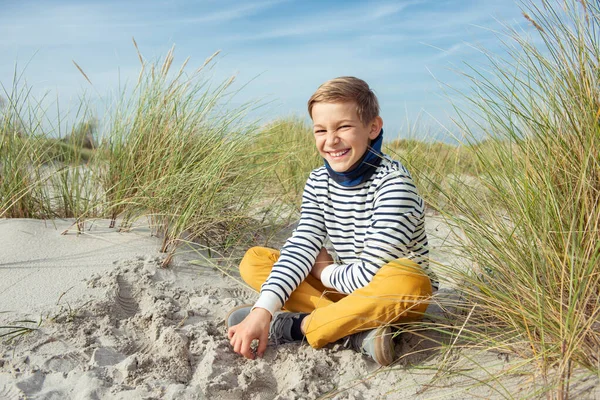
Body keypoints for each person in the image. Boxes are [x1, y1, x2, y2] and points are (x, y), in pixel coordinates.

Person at [226, 76, 437, 366]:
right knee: (255, 260)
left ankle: (296, 327)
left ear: (373, 128)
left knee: (411, 280)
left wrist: (324, 271)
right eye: (321, 130)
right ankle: (358, 333)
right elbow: (303, 245)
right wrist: (262, 309)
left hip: (389, 294)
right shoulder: (318, 181)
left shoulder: (394, 185)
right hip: (347, 291)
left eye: (344, 127)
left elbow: (368, 276)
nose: (331, 140)